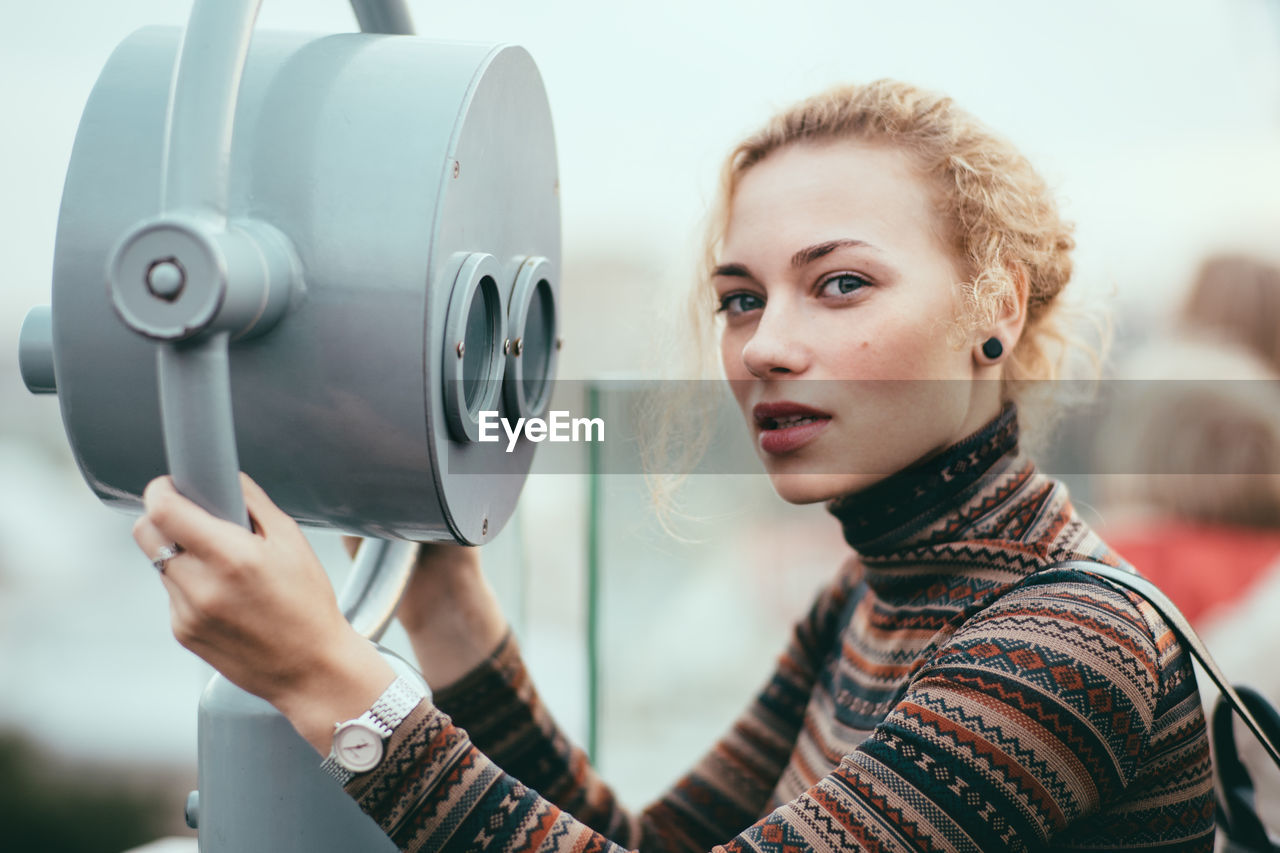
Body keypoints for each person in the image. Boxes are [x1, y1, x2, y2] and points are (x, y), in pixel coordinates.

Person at [131, 79, 1215, 851]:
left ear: (994, 306)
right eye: (740, 298)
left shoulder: (1063, 647)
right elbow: (646, 843)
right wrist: (446, 599)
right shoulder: (867, 596)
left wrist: (325, 677)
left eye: (838, 284)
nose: (762, 346)